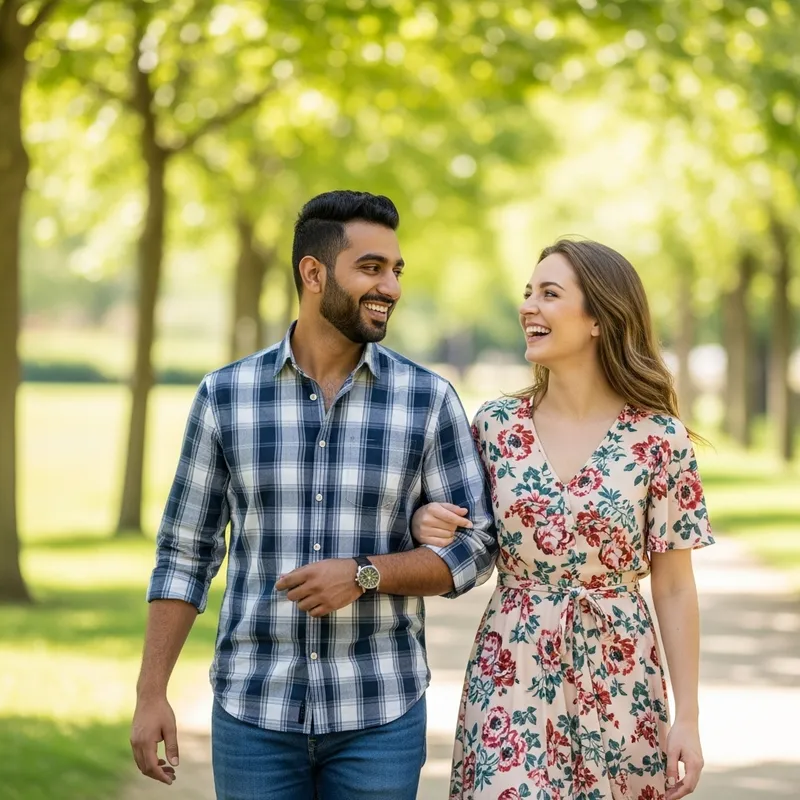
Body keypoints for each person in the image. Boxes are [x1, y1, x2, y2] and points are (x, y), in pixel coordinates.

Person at [129, 190, 497, 800]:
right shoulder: (225, 397)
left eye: (397, 270)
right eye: (372, 268)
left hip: (378, 712)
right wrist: (151, 693)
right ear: (313, 273)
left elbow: (478, 548)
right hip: (254, 711)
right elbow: (185, 552)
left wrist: (366, 574)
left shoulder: (428, 400)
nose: (393, 287)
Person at [412, 238, 714, 800]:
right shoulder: (495, 427)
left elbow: (674, 586)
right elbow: (465, 531)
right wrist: (428, 519)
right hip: (512, 665)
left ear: (600, 317)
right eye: (528, 293)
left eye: (550, 294)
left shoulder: (658, 439)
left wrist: (689, 719)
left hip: (622, 674)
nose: (529, 306)